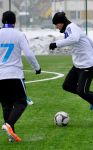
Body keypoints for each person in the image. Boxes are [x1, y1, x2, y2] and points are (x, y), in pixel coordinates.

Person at [49, 12, 93, 123]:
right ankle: (92, 96)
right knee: (67, 85)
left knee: (82, 92)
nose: (56, 27)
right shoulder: (69, 29)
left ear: (61, 22)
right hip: (78, 64)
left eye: (56, 24)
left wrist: (56, 44)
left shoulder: (72, 27)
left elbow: (74, 39)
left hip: (88, 65)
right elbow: (88, 40)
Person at [0, 11, 41, 142]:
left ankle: (10, 136)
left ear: (2, 21)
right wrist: (37, 67)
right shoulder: (19, 34)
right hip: (14, 74)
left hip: (0, 75)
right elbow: (28, 53)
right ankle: (8, 125)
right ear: (14, 22)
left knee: (6, 105)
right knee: (21, 102)